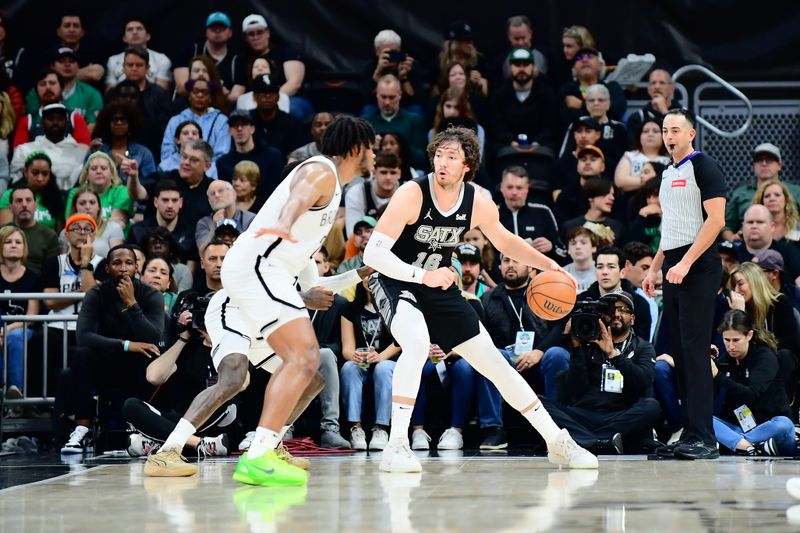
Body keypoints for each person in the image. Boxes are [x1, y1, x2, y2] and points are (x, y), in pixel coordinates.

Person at [143, 116, 378, 486]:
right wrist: (284, 221)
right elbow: (298, 195)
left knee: (310, 375)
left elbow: (314, 280)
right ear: (356, 148)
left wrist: (362, 272)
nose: (376, 154)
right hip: (248, 280)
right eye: (372, 147)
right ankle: (233, 453)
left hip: (266, 281)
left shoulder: (331, 200)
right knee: (248, 373)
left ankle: (269, 445)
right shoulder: (322, 171)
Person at [362, 125, 597, 472]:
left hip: (437, 284)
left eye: (451, 157)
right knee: (415, 343)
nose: (442, 163)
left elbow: (505, 242)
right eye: (439, 155)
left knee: (494, 363)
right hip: (396, 278)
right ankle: (396, 446)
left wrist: (550, 265)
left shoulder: (477, 202)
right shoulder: (412, 193)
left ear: (467, 164)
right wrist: (422, 275)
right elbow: (373, 255)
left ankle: (557, 441)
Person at [642, 107, 727, 460]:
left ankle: (705, 438)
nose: (669, 135)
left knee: (694, 353)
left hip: (700, 264)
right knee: (679, 353)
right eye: (665, 130)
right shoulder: (667, 172)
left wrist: (687, 262)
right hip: (675, 264)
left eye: (676, 129)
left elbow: (717, 220)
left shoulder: (702, 165)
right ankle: (689, 434)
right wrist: (655, 267)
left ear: (691, 134)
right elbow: (672, 229)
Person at [60, 244, 164, 453]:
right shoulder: (97, 294)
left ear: (137, 267)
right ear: (107, 268)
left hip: (140, 367)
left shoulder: (151, 295)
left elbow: (153, 337)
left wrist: (131, 303)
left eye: (129, 263)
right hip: (106, 364)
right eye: (117, 263)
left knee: (152, 356)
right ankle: (82, 428)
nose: (123, 268)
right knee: (82, 355)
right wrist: (126, 345)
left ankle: (146, 429)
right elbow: (84, 336)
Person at [541, 291, 660, 454]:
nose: (616, 314)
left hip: (620, 416)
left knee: (651, 407)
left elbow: (643, 382)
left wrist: (614, 355)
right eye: (610, 310)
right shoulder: (587, 342)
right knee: (539, 404)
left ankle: (583, 441)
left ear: (632, 319)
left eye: (623, 310)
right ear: (602, 317)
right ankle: (601, 442)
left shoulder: (642, 347)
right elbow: (576, 389)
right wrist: (576, 347)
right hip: (584, 415)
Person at [711, 309, 796, 456]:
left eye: (736, 340)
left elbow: (750, 395)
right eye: (727, 340)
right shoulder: (725, 360)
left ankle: (741, 444)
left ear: (749, 335)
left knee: (785, 425)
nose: (731, 346)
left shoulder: (765, 357)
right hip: (740, 428)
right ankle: (751, 447)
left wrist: (718, 376)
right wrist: (707, 363)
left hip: (770, 428)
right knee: (703, 419)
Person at [727, 261, 800, 406]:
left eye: (740, 283)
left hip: (775, 361)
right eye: (733, 286)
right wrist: (738, 314)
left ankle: (782, 410)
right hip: (747, 362)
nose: (736, 290)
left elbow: (790, 344)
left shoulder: (779, 303)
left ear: (755, 282)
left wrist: (742, 315)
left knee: (785, 356)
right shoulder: (735, 308)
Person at [340, 279, 401, 450]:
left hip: (386, 360)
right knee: (349, 367)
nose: (370, 278)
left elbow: (400, 341)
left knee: (383, 368)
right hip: (362, 362)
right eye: (366, 274)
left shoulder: (394, 306)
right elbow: (347, 349)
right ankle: (355, 428)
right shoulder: (349, 309)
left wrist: (381, 356)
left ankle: (381, 428)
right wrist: (356, 355)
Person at [723, 143, 800, 242]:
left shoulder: (796, 191)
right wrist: (733, 240)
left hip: (790, 240)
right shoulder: (740, 193)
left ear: (779, 165)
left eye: (770, 160)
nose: (764, 163)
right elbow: (727, 225)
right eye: (759, 160)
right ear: (754, 166)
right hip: (749, 243)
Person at [490, 48, 558, 156]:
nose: (521, 69)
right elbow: (497, 127)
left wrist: (537, 143)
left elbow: (551, 126)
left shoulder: (547, 93)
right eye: (517, 64)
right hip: (507, 147)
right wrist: (512, 142)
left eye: (526, 64)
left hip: (540, 146)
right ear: (510, 68)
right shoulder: (499, 95)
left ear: (533, 67)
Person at [0, 226, 41, 400]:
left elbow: (31, 317)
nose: (13, 245)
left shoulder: (33, 277)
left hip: (22, 327)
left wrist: (6, 330)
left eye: (18, 242)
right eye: (8, 242)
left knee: (16, 336)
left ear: (24, 247)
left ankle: (15, 387)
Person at [497, 165, 567, 265]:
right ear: (501, 188)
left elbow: (564, 253)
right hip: (501, 276)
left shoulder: (543, 212)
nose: (514, 192)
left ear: (527, 189)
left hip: (539, 276)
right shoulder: (492, 215)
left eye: (519, 188)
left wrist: (551, 247)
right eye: (510, 187)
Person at [110, 48, 173, 159]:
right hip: (117, 148)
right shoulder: (112, 94)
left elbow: (165, 127)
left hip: (152, 149)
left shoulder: (160, 94)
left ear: (147, 68)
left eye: (139, 65)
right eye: (130, 65)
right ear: (123, 67)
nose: (134, 69)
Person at [11, 103, 88, 192]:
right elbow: (16, 182)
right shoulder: (24, 151)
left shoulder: (79, 153)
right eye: (50, 119)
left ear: (67, 124)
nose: (55, 123)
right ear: (42, 123)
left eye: (60, 119)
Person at [173, 12, 245, 105]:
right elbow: (182, 88)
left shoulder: (237, 61)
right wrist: (219, 88)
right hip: (187, 108)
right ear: (206, 31)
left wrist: (197, 82)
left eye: (222, 28)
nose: (217, 31)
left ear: (230, 32)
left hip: (220, 112)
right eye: (213, 28)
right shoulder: (190, 51)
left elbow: (234, 97)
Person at [127, 179, 198, 274]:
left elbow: (189, 273)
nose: (170, 205)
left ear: (180, 203)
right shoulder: (138, 231)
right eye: (165, 200)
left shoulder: (190, 233)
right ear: (155, 202)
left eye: (174, 200)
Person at [25, 47, 102, 131]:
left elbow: (92, 124)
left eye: (72, 61)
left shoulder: (92, 94)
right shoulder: (36, 92)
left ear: (78, 66)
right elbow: (32, 122)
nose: (67, 65)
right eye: (61, 61)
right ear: (52, 66)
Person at [13, 68, 90, 148]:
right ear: (36, 90)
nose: (48, 87)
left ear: (62, 87)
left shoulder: (75, 118)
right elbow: (18, 154)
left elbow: (83, 152)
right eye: (42, 84)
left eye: (52, 83)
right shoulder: (27, 121)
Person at [215, 108, 282, 199]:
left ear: (252, 129)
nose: (239, 129)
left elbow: (276, 191)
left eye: (244, 124)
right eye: (235, 125)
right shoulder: (223, 163)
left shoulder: (272, 156)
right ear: (229, 131)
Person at [363, 75, 426, 168]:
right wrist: (370, 147)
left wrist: (402, 146)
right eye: (383, 97)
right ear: (377, 94)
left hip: (407, 171)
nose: (387, 102)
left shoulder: (414, 120)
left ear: (400, 95)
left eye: (391, 97)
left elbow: (422, 158)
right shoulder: (366, 122)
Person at [161, 78, 230, 165]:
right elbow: (167, 152)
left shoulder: (221, 121)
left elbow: (222, 154)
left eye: (205, 92)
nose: (200, 95)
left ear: (210, 98)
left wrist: (203, 171)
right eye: (195, 91)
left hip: (209, 174)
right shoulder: (175, 121)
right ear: (189, 96)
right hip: (177, 172)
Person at [88, 100, 156, 184]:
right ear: (107, 124)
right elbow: (84, 180)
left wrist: (131, 183)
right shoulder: (97, 149)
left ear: (131, 123)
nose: (119, 123)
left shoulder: (143, 153)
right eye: (114, 120)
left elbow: (151, 182)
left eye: (123, 120)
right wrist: (95, 155)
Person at [558, 47, 626, 127]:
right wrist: (600, 109)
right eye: (579, 58)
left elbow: (616, 111)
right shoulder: (567, 91)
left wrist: (581, 105)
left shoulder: (611, 87)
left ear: (600, 65)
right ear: (574, 68)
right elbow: (567, 119)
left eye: (589, 57)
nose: (584, 60)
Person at [66, 152, 133, 230]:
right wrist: (107, 221)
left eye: (103, 168)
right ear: (87, 175)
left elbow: (117, 225)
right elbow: (71, 225)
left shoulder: (121, 191)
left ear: (112, 174)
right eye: (94, 168)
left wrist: (86, 224)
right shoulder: (75, 193)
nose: (98, 171)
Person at [0, 151, 65, 231]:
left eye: (45, 174)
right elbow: (5, 232)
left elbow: (59, 234)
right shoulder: (10, 195)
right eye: (35, 173)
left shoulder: (56, 199)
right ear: (26, 172)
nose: (40, 178)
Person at [1, 186, 59, 274]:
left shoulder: (49, 235)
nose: (24, 205)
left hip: (37, 285)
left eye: (28, 200)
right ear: (10, 208)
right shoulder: (2, 233)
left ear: (35, 205)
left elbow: (51, 274)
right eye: (19, 201)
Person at [737, 204, 800, 284]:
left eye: (760, 222)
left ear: (772, 227)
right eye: (750, 222)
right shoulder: (731, 255)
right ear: (742, 226)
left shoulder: (790, 252)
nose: (754, 226)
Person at [248, 74, 307, 159]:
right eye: (263, 92)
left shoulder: (292, 123)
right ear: (254, 96)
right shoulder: (247, 122)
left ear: (278, 96)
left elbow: (297, 155)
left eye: (272, 92)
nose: (268, 96)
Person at [344, 152, 401, 237]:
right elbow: (353, 235)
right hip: (363, 245)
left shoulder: (408, 194)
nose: (388, 177)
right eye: (383, 172)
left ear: (399, 174)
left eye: (393, 173)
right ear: (374, 172)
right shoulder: (357, 192)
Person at [105, 19, 172, 92]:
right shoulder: (112, 60)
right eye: (130, 29)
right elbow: (110, 94)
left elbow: (161, 93)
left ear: (147, 36)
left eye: (139, 28)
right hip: (122, 101)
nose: (135, 32)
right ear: (124, 38)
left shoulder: (161, 59)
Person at [561, 176, 625, 247]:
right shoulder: (570, 226)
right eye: (606, 193)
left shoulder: (617, 227)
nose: (612, 198)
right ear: (591, 197)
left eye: (613, 194)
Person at [63, 187, 124, 259]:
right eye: (82, 203)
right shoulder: (67, 231)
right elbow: (62, 262)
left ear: (99, 206)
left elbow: (118, 258)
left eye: (92, 203)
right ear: (75, 207)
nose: (87, 207)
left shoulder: (113, 227)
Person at [614, 117, 671, 194]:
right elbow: (620, 181)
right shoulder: (630, 156)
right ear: (639, 136)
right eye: (645, 131)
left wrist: (634, 183)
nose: (650, 134)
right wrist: (655, 180)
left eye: (655, 131)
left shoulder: (670, 159)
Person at [195, 180, 255, 250]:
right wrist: (214, 227)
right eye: (212, 193)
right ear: (209, 201)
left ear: (234, 194)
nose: (217, 195)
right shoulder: (204, 223)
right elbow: (202, 251)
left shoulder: (251, 219)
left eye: (221, 191)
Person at [626, 69, 677, 145]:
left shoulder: (684, 114)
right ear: (648, 89)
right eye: (653, 83)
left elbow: (683, 144)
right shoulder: (638, 118)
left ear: (671, 88)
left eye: (662, 83)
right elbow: (634, 148)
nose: (657, 86)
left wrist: (664, 111)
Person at [751, 179, 800, 243]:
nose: (772, 199)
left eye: (777, 195)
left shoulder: (797, 228)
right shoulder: (754, 228)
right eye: (767, 196)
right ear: (761, 202)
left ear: (786, 200)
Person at [563, 226, 597, 294]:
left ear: (593, 247)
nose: (578, 247)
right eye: (573, 243)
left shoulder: (602, 271)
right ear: (568, 250)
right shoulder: (561, 273)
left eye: (583, 242)